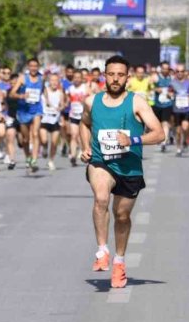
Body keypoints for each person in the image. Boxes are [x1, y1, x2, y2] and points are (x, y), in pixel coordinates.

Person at [80, 55, 164, 288]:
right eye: (111, 74)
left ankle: (119, 262)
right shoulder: (91, 102)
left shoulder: (137, 102)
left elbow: (159, 134)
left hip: (129, 167)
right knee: (101, 198)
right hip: (101, 162)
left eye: (120, 75)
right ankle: (102, 250)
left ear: (127, 78)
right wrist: (85, 147)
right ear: (104, 76)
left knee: (122, 216)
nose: (115, 79)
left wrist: (132, 139)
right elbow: (84, 124)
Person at [10, 58, 45, 172]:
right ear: (28, 67)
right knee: (25, 139)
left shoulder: (42, 78)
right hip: (23, 110)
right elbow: (12, 93)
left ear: (38, 66)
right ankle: (28, 157)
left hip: (37, 109)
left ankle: (34, 160)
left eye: (36, 66)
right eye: (31, 66)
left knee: (35, 134)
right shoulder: (22, 78)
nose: (33, 68)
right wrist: (21, 96)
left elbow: (44, 91)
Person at [40, 73, 67, 170]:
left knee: (54, 142)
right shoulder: (45, 91)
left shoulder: (60, 93)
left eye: (56, 80)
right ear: (49, 81)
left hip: (55, 119)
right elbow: (42, 86)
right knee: (44, 140)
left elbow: (63, 104)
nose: (54, 82)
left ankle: (51, 160)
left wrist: (60, 108)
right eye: (52, 80)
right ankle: (44, 148)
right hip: (44, 119)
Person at [66, 69, 90, 166]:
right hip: (73, 115)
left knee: (82, 137)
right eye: (75, 78)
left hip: (84, 116)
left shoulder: (85, 88)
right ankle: (72, 155)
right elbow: (67, 101)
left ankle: (83, 151)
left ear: (81, 79)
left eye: (78, 78)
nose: (76, 79)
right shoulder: (70, 89)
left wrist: (84, 100)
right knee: (74, 135)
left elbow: (91, 100)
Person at [169, 64, 189, 156]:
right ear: (175, 73)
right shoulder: (172, 83)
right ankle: (178, 148)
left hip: (186, 109)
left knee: (185, 127)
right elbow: (170, 92)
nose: (180, 73)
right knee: (178, 131)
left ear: (185, 72)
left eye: (182, 71)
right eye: (178, 71)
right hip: (176, 110)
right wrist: (170, 95)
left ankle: (186, 140)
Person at [152, 61, 175, 152]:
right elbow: (149, 87)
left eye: (167, 69)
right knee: (158, 124)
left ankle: (164, 142)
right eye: (163, 68)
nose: (165, 70)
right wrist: (156, 89)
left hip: (168, 104)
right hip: (157, 104)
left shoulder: (172, 78)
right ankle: (161, 136)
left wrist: (171, 93)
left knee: (165, 123)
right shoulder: (156, 77)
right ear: (160, 68)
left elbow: (176, 89)